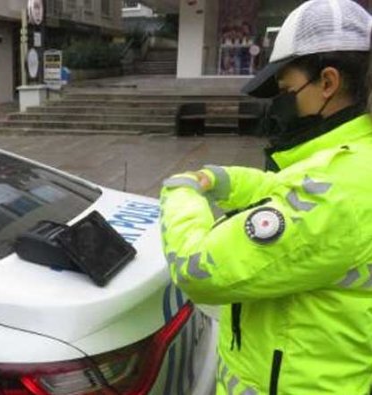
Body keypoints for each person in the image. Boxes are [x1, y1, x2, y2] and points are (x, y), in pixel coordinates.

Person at [159, 0, 372, 393]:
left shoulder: (338, 191)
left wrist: (180, 191)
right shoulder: (353, 161)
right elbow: (290, 188)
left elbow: (197, 267)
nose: (281, 102)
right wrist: (224, 181)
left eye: (288, 88)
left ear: (328, 83)